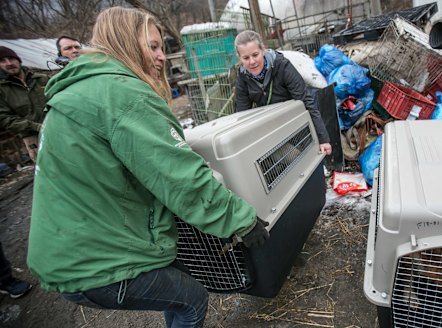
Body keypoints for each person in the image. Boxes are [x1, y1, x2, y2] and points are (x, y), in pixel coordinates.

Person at [27, 7, 269, 328]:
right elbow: (180, 177)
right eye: (152, 46)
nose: (163, 56)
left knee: (178, 282)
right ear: (125, 43)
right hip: (93, 263)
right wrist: (241, 221)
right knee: (192, 300)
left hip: (65, 249)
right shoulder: (124, 95)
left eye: (161, 47)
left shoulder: (81, 90)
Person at [234, 30, 333, 155]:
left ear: (263, 50)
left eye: (255, 55)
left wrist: (323, 139)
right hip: (270, 127)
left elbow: (306, 100)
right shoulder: (242, 77)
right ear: (240, 58)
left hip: (295, 121)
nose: (252, 61)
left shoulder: (282, 65)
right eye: (246, 58)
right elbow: (243, 114)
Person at [0, 46, 48, 163]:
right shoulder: (2, 90)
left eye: (11, 59)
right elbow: (4, 118)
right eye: (2, 61)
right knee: (52, 170)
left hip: (61, 129)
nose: (9, 63)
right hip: (34, 138)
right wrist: (36, 127)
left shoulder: (41, 79)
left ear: (19, 60)